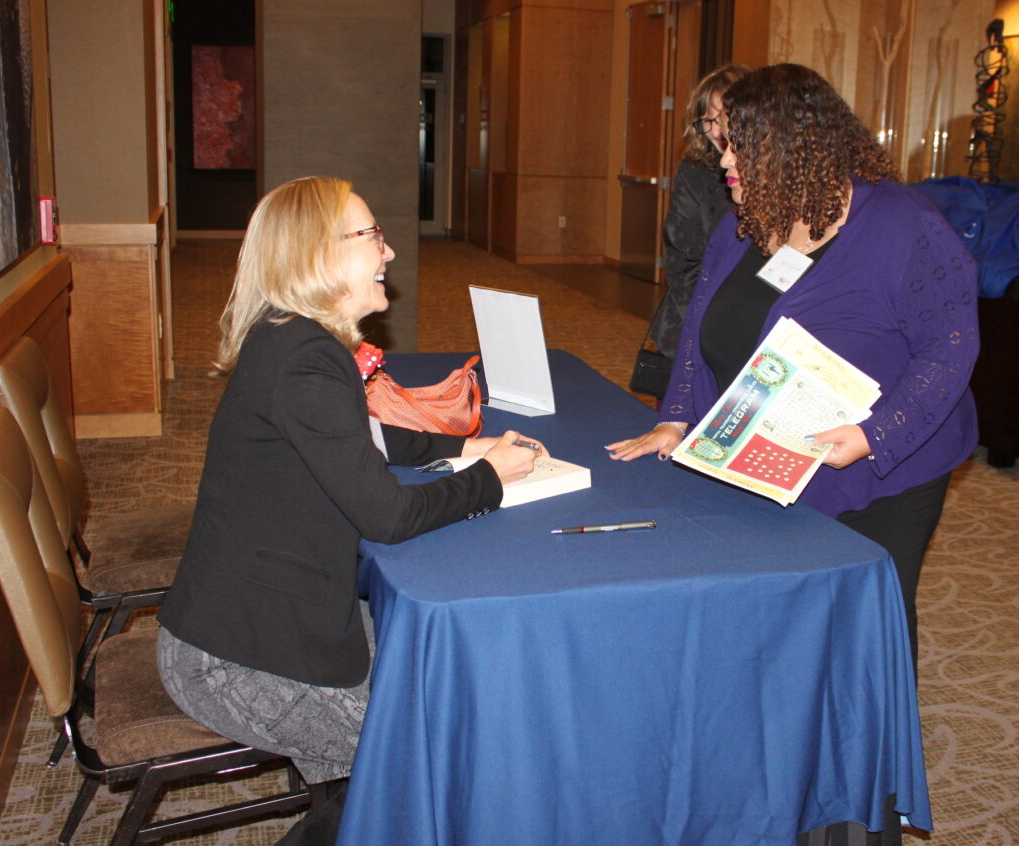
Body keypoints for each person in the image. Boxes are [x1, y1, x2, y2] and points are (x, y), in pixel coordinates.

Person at [156, 176, 543, 844]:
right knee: (426, 753)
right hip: (233, 658)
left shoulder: (293, 340)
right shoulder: (306, 362)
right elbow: (388, 517)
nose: (389, 253)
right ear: (318, 256)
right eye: (373, 237)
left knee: (421, 705)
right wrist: (489, 477)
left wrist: (459, 442)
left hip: (262, 619)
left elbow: (363, 434)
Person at [608, 64, 978, 685]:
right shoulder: (744, 221)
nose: (722, 159)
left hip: (891, 465)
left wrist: (875, 435)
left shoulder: (904, 226)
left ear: (791, 147)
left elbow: (951, 350)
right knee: (784, 616)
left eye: (735, 143)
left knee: (869, 616)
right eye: (720, 140)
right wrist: (677, 415)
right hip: (778, 446)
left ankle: (876, 766)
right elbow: (701, 326)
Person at [641, 64, 750, 392]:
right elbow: (683, 261)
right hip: (698, 317)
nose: (716, 131)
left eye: (722, 118)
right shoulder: (695, 170)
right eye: (707, 120)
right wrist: (715, 331)